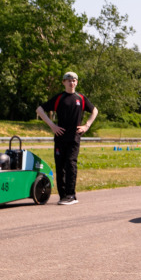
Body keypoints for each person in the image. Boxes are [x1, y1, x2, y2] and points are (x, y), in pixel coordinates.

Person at [35, 71, 98, 205]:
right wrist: (52, 125)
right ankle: (63, 196)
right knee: (60, 166)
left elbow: (95, 110)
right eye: (69, 80)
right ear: (64, 82)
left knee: (71, 163)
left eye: (74, 80)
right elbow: (39, 110)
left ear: (77, 82)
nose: (72, 82)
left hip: (74, 137)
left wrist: (86, 126)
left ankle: (71, 195)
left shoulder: (80, 98)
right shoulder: (59, 98)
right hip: (60, 137)